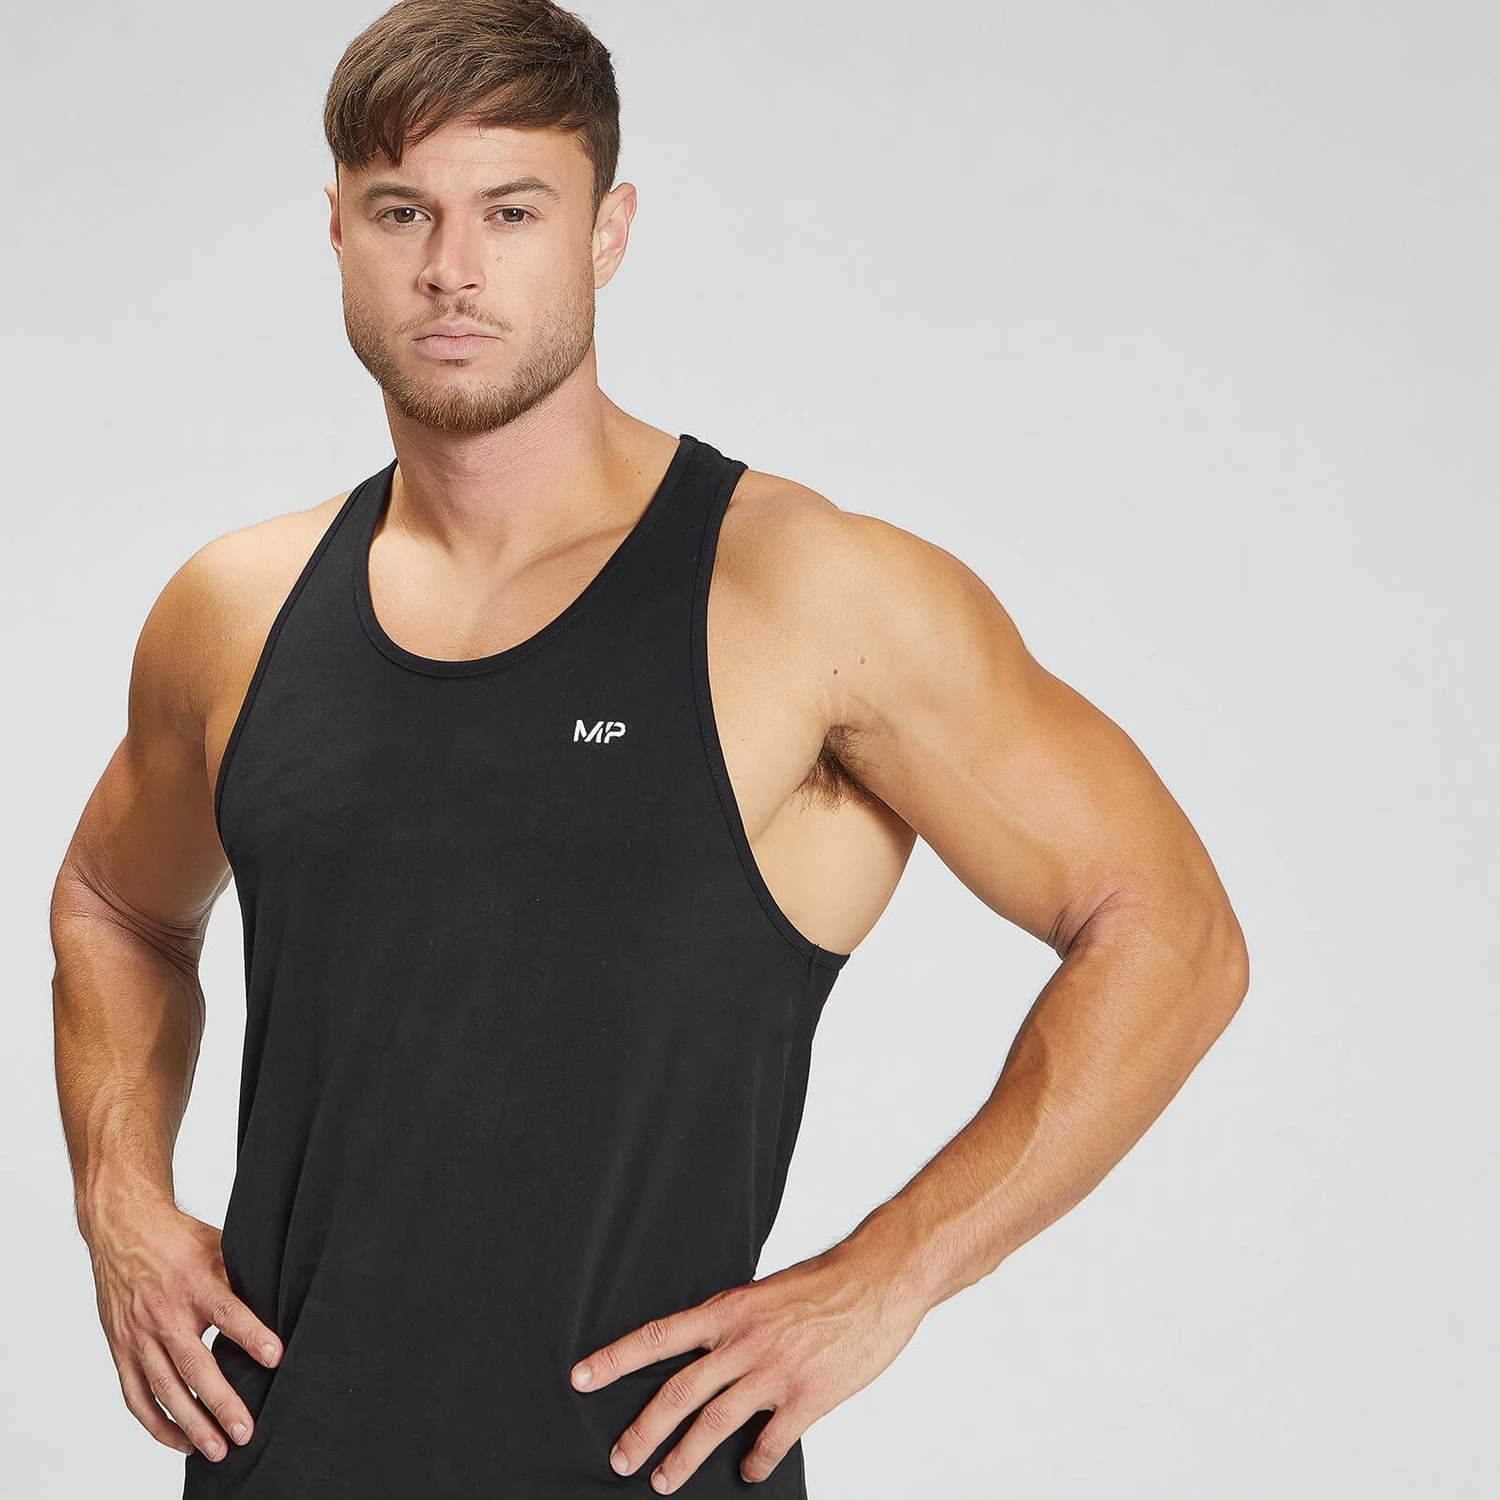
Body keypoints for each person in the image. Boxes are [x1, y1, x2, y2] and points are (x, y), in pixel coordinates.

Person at [49, 2, 1250, 1495]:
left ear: (607, 231)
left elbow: (1171, 932)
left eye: (513, 211)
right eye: (404, 211)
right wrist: (119, 1202)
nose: (452, 268)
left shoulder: (809, 594)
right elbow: (113, 906)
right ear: (339, 230)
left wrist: (887, 1278)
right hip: (278, 1464)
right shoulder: (237, 609)